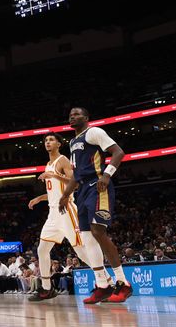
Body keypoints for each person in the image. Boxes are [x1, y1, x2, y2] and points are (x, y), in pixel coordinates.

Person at [59, 107, 132, 304]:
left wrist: (107, 175)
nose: (72, 117)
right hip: (82, 190)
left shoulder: (94, 132)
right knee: (86, 237)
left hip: (97, 185)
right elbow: (76, 173)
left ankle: (123, 283)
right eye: (70, 115)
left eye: (77, 114)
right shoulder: (73, 142)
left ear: (87, 117)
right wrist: (66, 194)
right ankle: (102, 285)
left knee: (98, 231)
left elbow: (118, 152)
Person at [27, 133, 90, 301]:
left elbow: (74, 182)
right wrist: (39, 198)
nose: (48, 142)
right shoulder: (48, 164)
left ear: (59, 144)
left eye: (51, 140)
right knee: (42, 249)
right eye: (46, 140)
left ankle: (106, 281)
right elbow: (54, 192)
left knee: (81, 252)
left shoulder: (62, 160)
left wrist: (53, 175)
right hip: (53, 212)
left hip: (66, 209)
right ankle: (47, 289)